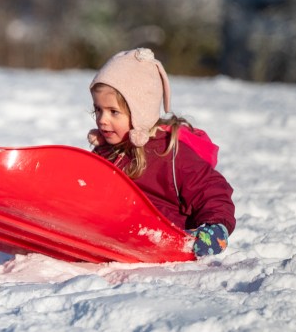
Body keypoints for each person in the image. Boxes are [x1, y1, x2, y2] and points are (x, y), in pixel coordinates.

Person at [87, 47, 235, 258]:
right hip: (117, 236)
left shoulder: (170, 154)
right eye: (98, 109)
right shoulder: (105, 151)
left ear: (140, 112)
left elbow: (211, 189)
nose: (102, 119)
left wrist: (216, 224)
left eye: (114, 112)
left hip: (165, 243)